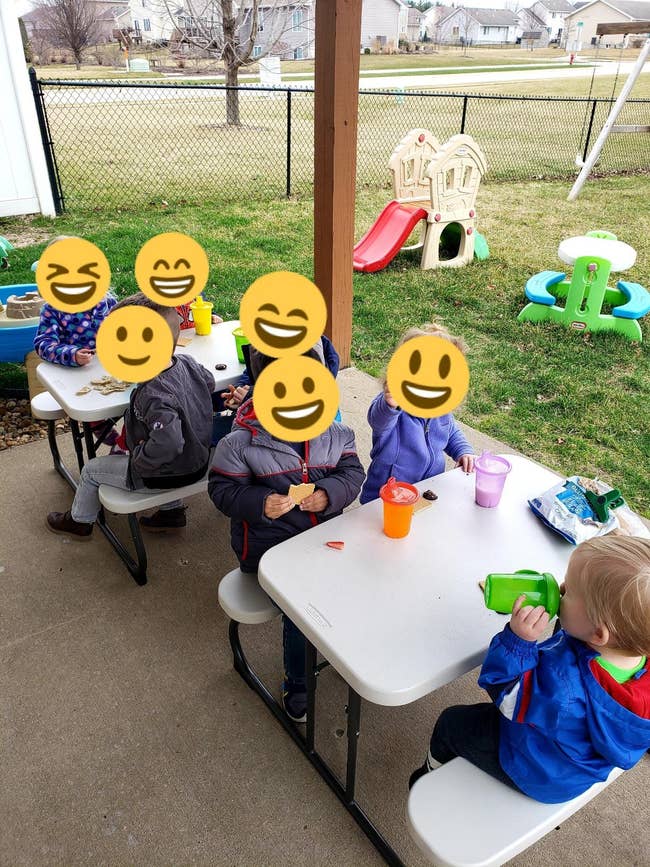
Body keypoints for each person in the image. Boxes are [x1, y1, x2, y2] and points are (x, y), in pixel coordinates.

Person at [409, 536, 650, 803]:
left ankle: (428, 775)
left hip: (537, 770)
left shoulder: (563, 688)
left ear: (598, 633)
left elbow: (506, 695)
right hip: (574, 763)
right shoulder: (630, 653)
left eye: (569, 592)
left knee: (452, 721)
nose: (559, 588)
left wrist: (518, 642)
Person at [208, 345, 364, 723]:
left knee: (365, 583)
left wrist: (328, 495)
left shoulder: (337, 433)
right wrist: (261, 503)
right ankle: (299, 682)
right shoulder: (240, 443)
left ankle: (351, 650)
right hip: (268, 550)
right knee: (302, 612)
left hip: (325, 542)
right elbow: (222, 490)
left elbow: (353, 474)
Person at [46, 293, 215, 539]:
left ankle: (79, 521)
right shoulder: (187, 362)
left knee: (91, 470)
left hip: (171, 473)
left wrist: (139, 460)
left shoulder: (153, 394)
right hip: (197, 458)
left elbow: (169, 443)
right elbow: (208, 382)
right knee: (163, 447)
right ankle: (171, 513)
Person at [360, 323, 474, 504]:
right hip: (386, 497)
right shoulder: (393, 408)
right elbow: (378, 421)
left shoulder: (440, 410)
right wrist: (390, 405)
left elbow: (451, 431)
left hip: (425, 490)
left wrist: (463, 451)